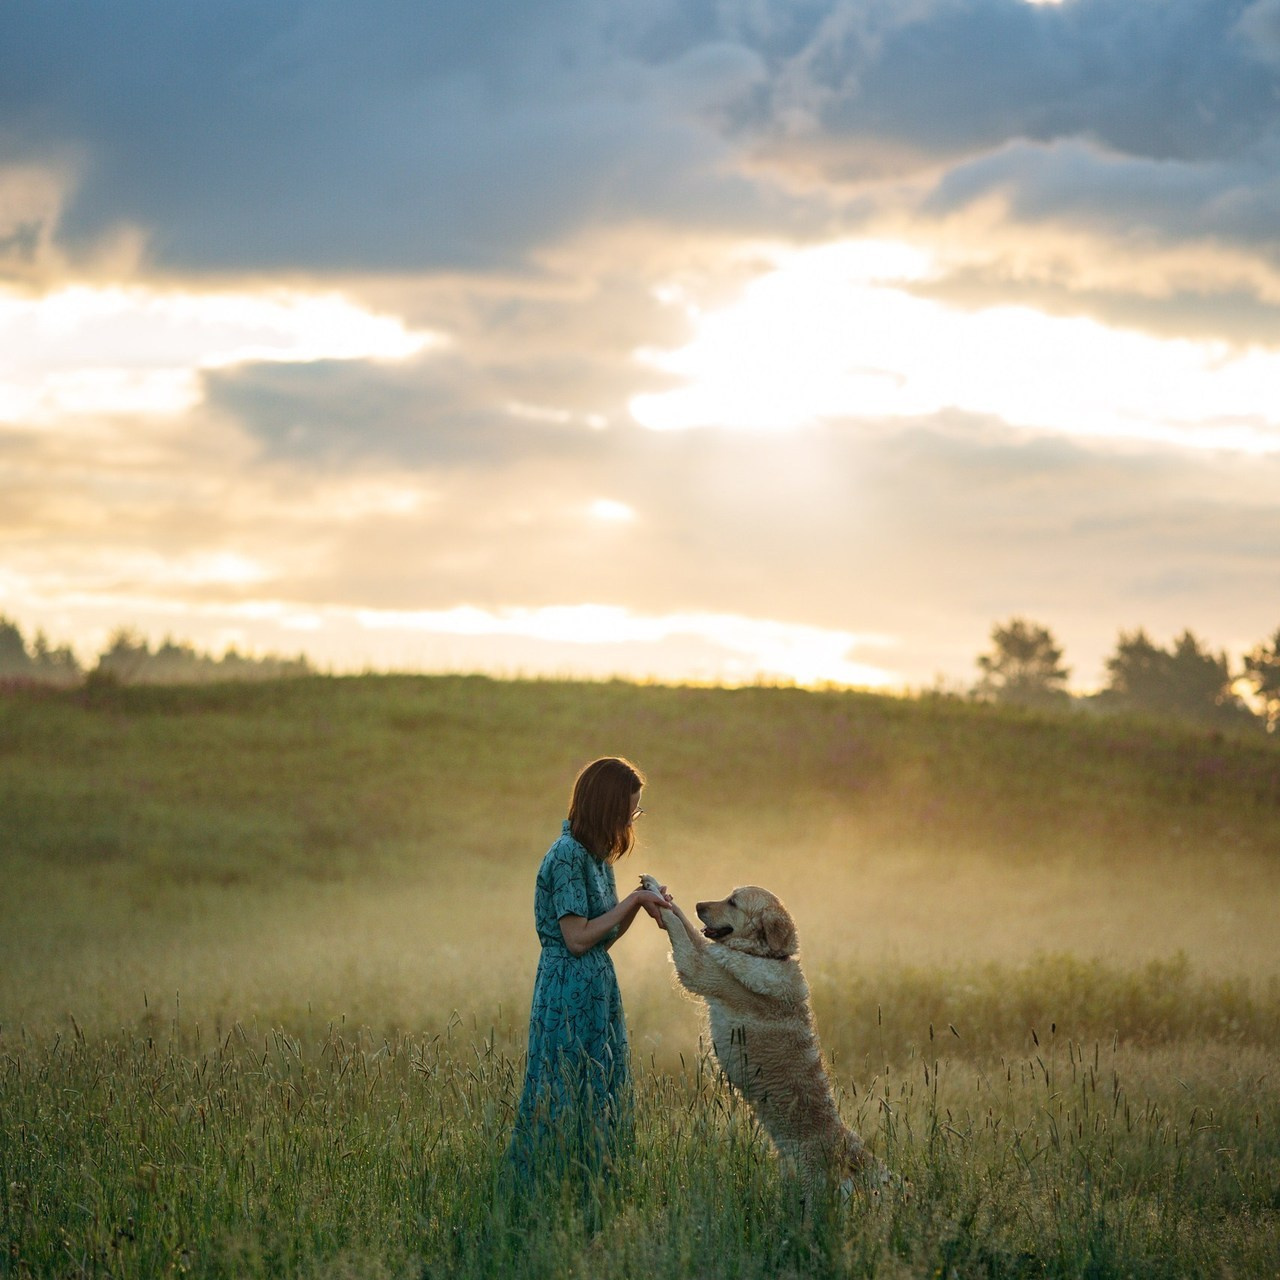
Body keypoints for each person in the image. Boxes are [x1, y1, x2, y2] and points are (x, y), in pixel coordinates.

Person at [507, 756, 670, 1186]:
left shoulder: (597, 858)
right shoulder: (566, 857)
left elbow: (604, 935)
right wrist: (632, 902)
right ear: (606, 809)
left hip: (597, 989)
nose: (632, 821)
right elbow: (577, 938)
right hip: (566, 991)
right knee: (562, 1092)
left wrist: (640, 899)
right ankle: (547, 1189)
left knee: (600, 1092)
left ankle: (595, 1186)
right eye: (629, 811)